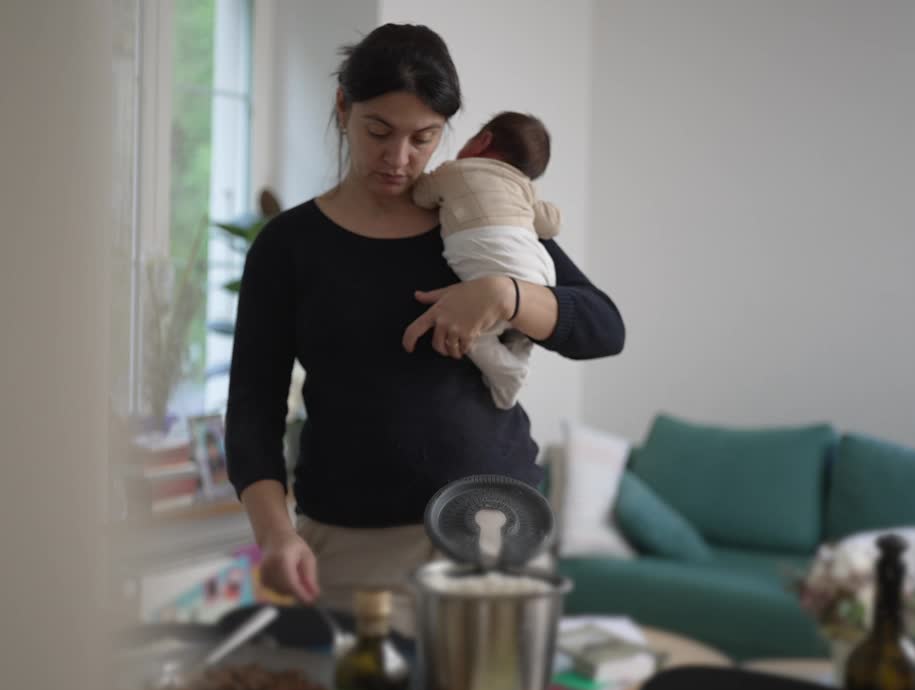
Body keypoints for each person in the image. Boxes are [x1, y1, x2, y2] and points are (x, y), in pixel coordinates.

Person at [224, 23, 624, 635]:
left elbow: (603, 328)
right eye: (378, 131)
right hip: (355, 550)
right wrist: (275, 537)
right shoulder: (290, 246)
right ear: (343, 107)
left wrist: (503, 294)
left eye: (424, 137)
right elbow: (252, 412)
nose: (400, 158)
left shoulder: (475, 215)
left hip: (498, 537)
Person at [412, 111, 561, 409]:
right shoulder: (522, 186)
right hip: (541, 277)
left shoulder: (454, 171)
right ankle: (520, 345)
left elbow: (419, 196)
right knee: (518, 328)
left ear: (482, 141)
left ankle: (508, 375)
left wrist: (428, 181)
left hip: (495, 268)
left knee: (472, 333)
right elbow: (550, 226)